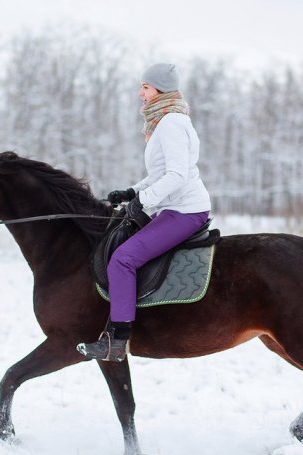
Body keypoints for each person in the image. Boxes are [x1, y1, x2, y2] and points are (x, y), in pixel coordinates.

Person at [77, 63, 212, 362]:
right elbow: (161, 173)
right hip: (173, 208)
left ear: (160, 90)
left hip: (185, 211)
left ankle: (117, 341)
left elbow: (177, 175)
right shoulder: (164, 121)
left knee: (123, 259)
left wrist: (143, 201)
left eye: (145, 87)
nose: (140, 93)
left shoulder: (172, 123)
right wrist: (132, 192)